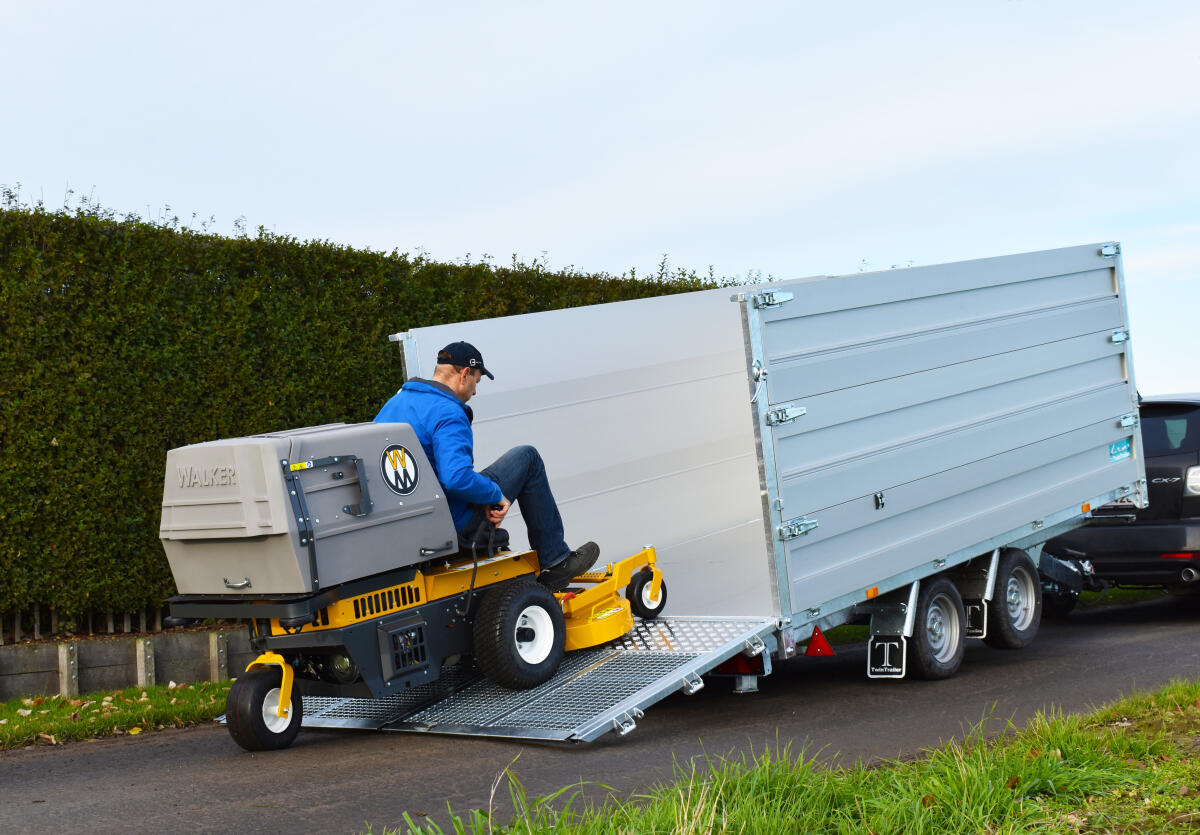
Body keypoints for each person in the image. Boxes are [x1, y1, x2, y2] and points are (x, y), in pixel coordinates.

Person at [375, 341, 598, 591]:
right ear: (464, 374)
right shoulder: (448, 412)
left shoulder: (394, 405)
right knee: (527, 457)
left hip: (411, 526)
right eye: (477, 381)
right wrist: (494, 494)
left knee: (484, 479)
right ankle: (555, 561)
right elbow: (456, 477)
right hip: (452, 522)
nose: (475, 392)